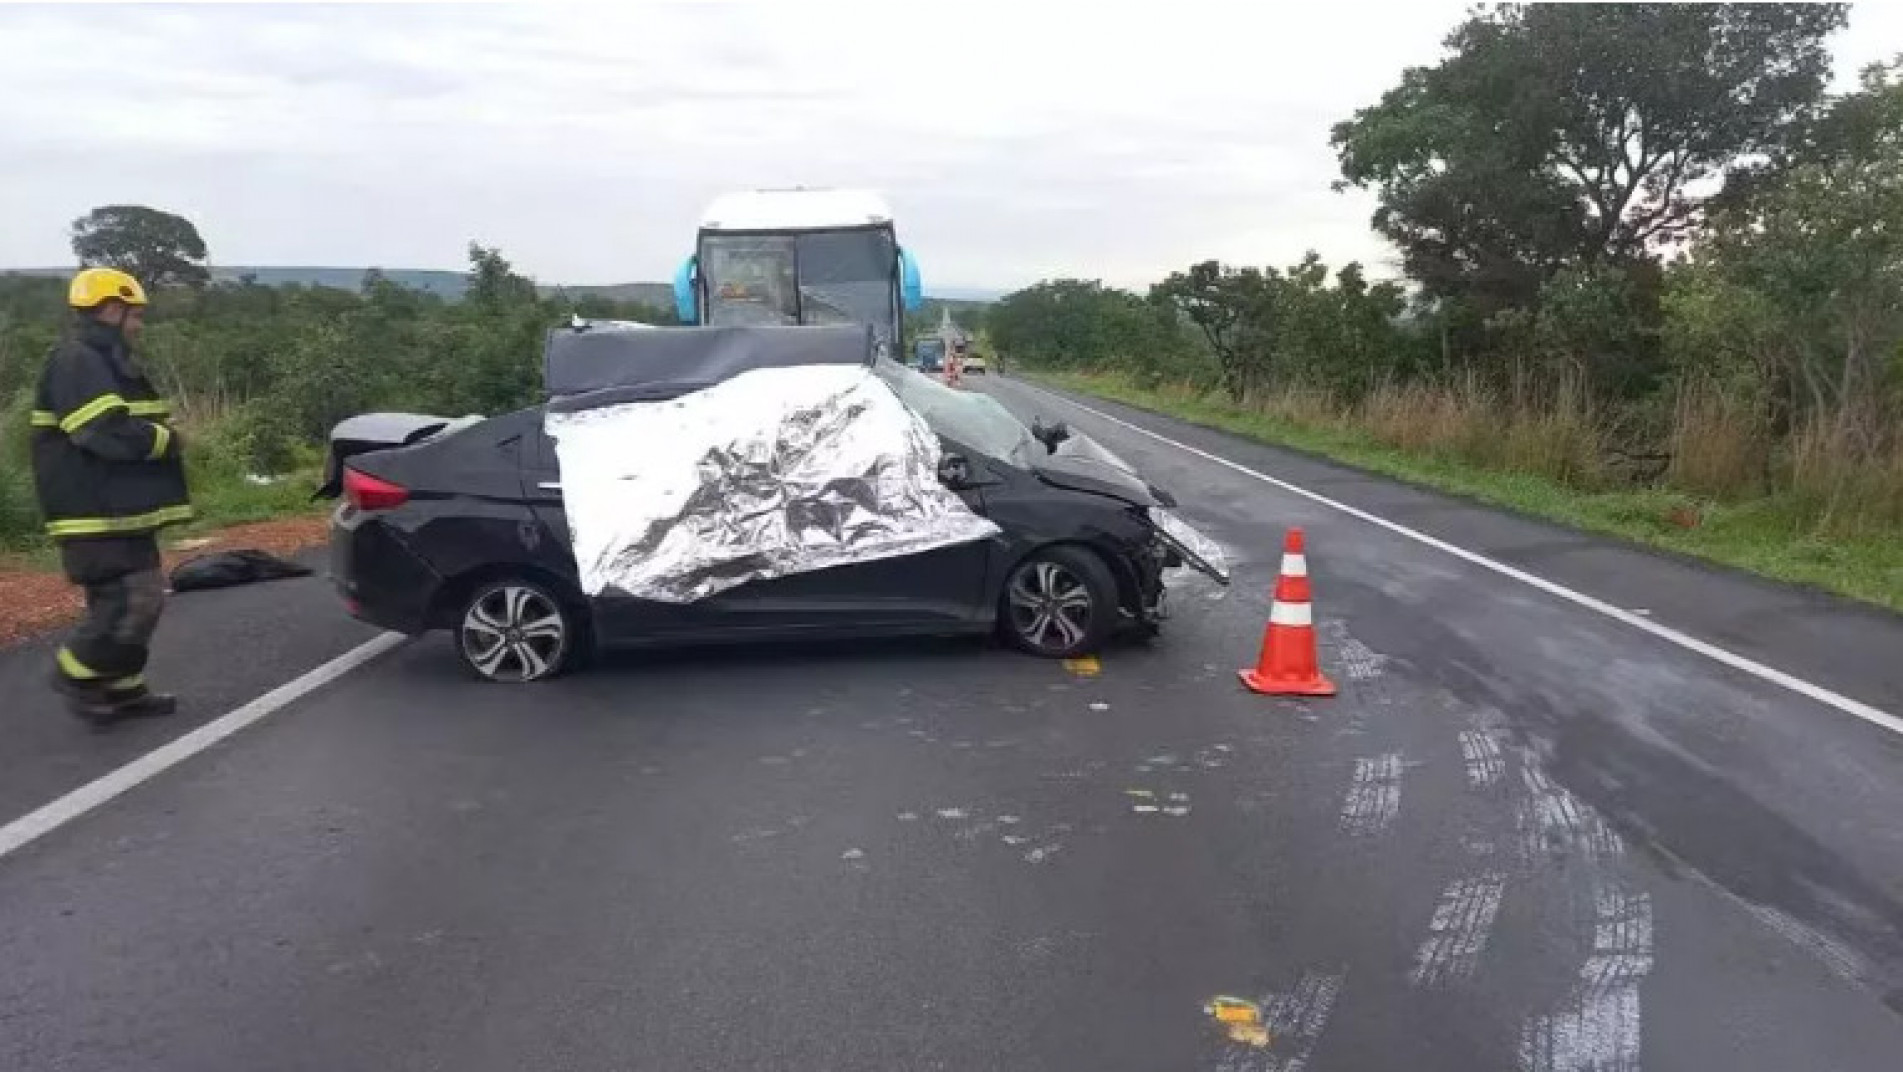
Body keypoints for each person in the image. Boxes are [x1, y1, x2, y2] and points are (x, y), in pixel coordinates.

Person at [30, 268, 193, 726]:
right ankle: (75, 673)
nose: (139, 325)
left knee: (144, 598)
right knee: (126, 600)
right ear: (111, 309)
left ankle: (121, 688)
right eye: (134, 315)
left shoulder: (105, 358)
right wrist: (165, 440)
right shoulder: (78, 359)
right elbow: (98, 430)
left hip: (118, 510)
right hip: (92, 511)